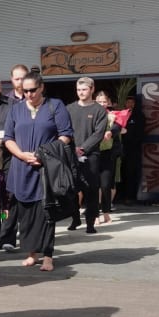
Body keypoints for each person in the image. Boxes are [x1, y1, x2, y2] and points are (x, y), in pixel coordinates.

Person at [3, 71, 74, 272]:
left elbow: (66, 135)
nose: (29, 95)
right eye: (24, 91)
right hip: (21, 167)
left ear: (41, 87)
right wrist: (21, 155)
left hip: (46, 168)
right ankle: (31, 253)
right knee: (25, 214)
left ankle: (48, 256)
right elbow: (8, 137)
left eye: (33, 90)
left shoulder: (55, 105)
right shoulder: (16, 110)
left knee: (46, 212)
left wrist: (43, 154)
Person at [65, 77, 108, 233]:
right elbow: (63, 129)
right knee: (72, 189)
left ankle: (90, 223)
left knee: (91, 190)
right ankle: (75, 219)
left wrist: (83, 148)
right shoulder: (69, 109)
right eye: (78, 90)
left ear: (91, 89)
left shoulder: (99, 110)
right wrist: (71, 148)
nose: (81, 93)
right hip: (70, 154)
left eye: (84, 89)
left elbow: (99, 133)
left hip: (91, 155)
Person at [0, 64, 29, 251]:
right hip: (7, 155)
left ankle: (27, 236)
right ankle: (6, 236)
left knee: (23, 198)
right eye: (16, 78)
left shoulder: (35, 99)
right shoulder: (6, 102)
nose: (20, 82)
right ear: (11, 80)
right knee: (7, 199)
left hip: (28, 155)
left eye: (23, 78)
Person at [94, 90, 122, 225]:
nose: (102, 104)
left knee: (105, 185)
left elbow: (119, 127)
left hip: (108, 153)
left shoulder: (113, 115)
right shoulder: (90, 114)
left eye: (104, 101)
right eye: (99, 101)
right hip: (92, 152)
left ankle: (106, 212)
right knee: (93, 186)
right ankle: (95, 214)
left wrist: (111, 132)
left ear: (109, 102)